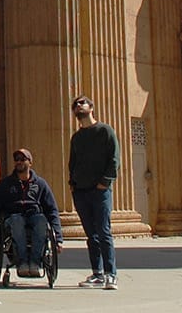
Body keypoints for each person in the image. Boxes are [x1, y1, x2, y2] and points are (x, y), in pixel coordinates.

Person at [0, 147, 62, 278]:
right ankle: (22, 262)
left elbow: (52, 209)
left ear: (30, 162)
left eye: (22, 159)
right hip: (13, 216)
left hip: (34, 214)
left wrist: (58, 238)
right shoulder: (5, 184)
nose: (19, 162)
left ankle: (35, 262)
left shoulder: (40, 184)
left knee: (42, 220)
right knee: (17, 221)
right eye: (16, 160)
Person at [67, 95, 120, 290]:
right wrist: (72, 183)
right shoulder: (77, 137)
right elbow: (72, 162)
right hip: (81, 191)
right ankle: (97, 273)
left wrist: (104, 183)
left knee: (104, 232)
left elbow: (114, 159)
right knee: (91, 234)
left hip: (100, 191)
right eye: (75, 105)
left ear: (91, 107)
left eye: (82, 102)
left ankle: (110, 274)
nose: (78, 106)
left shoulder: (105, 131)